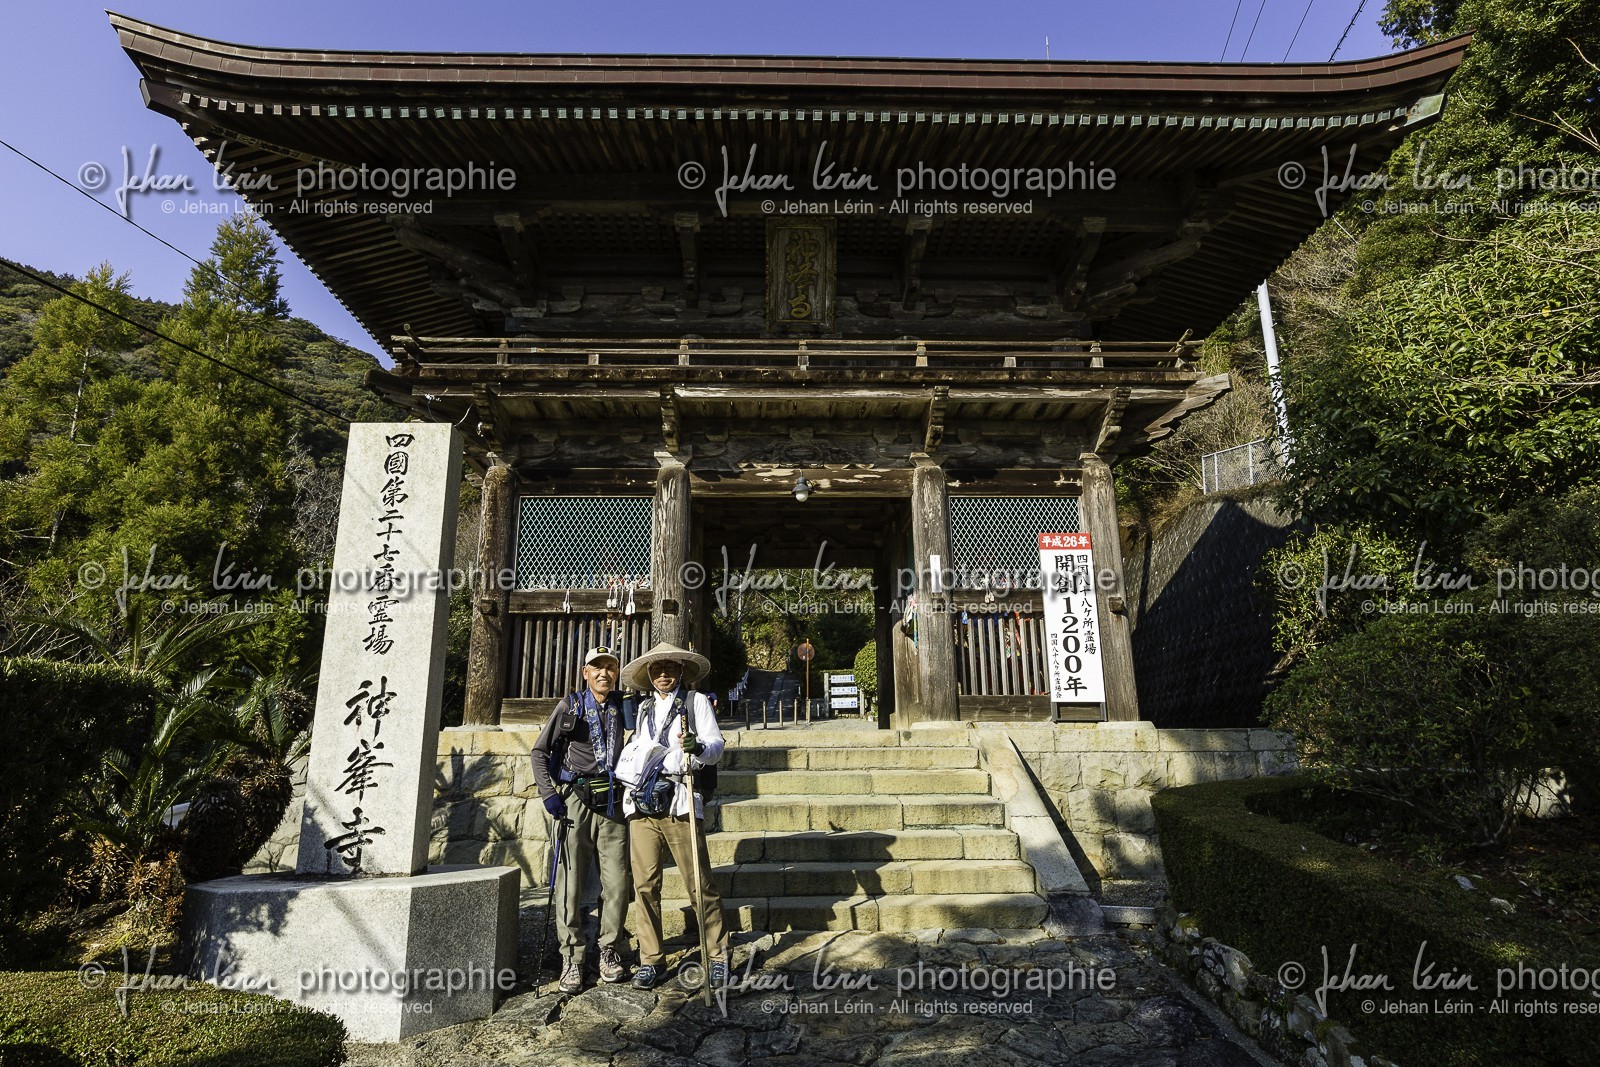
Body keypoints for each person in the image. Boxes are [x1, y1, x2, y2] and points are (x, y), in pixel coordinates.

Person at [617, 641, 730, 990]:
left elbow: (716, 748)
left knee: (699, 882)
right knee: (645, 884)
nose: (663, 673)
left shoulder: (696, 703)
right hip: (644, 802)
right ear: (649, 675)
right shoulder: (643, 708)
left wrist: (698, 746)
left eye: (669, 667)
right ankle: (651, 959)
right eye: (656, 668)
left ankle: (718, 955)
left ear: (681, 671)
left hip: (681, 797)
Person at [530, 645, 632, 993]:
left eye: (610, 667)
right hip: (575, 798)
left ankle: (609, 950)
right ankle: (572, 957)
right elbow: (540, 752)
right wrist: (548, 794)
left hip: (614, 799)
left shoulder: (623, 707)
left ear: (615, 673)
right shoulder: (570, 705)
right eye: (597, 667)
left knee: (617, 882)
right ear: (585, 672)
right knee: (571, 882)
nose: (604, 673)